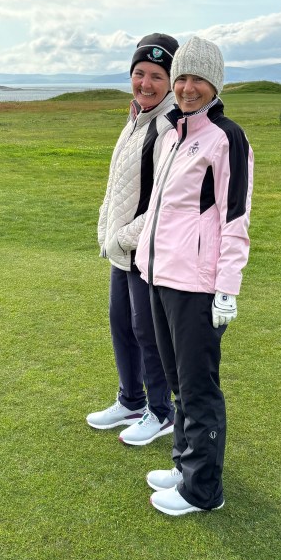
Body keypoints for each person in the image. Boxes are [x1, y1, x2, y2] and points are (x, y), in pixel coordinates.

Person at [135, 36, 253, 515]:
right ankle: (185, 464)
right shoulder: (174, 134)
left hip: (197, 284)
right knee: (178, 381)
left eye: (198, 79)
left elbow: (235, 216)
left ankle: (203, 490)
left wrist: (227, 288)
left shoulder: (226, 137)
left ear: (215, 84)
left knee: (198, 386)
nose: (187, 87)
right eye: (181, 77)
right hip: (161, 275)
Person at [86, 33, 179, 446]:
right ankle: (130, 400)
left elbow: (163, 204)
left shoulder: (167, 126)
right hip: (121, 249)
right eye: (139, 73)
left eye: (157, 76)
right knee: (121, 325)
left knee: (147, 332)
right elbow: (116, 186)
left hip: (145, 251)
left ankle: (161, 412)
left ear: (171, 81)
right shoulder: (136, 118)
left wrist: (122, 238)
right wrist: (105, 229)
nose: (146, 83)